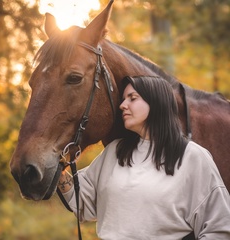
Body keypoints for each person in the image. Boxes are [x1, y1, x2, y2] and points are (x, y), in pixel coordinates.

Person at [58, 75, 230, 240]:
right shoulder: (115, 151)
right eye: (124, 99)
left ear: (156, 103)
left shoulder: (192, 156)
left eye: (132, 98)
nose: (123, 105)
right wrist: (57, 167)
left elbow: (219, 227)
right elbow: (82, 200)